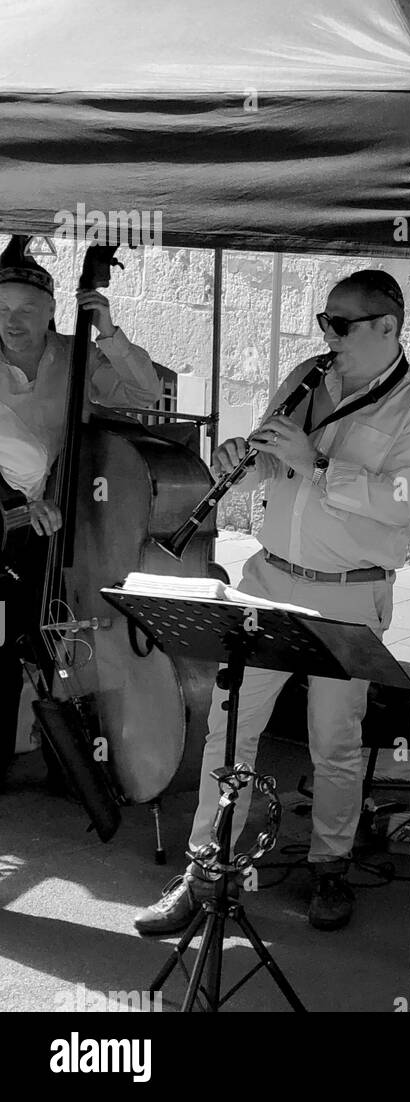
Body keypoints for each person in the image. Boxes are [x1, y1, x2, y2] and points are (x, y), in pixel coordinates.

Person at [136, 269, 410, 935]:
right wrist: (249, 455)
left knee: (334, 739)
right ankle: (205, 867)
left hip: (348, 592)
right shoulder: (307, 373)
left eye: (342, 324)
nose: (327, 335)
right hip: (269, 580)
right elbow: (274, 460)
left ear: (388, 326)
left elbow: (406, 500)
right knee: (230, 726)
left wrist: (317, 464)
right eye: (323, 320)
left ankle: (330, 865)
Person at [0, 236, 161, 787]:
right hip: (10, 523)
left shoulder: (76, 354)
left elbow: (145, 394)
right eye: (1, 310)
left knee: (65, 638)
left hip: (74, 523)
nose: (12, 321)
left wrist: (107, 331)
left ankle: (68, 759)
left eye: (26, 310)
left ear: (51, 312)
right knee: (5, 637)